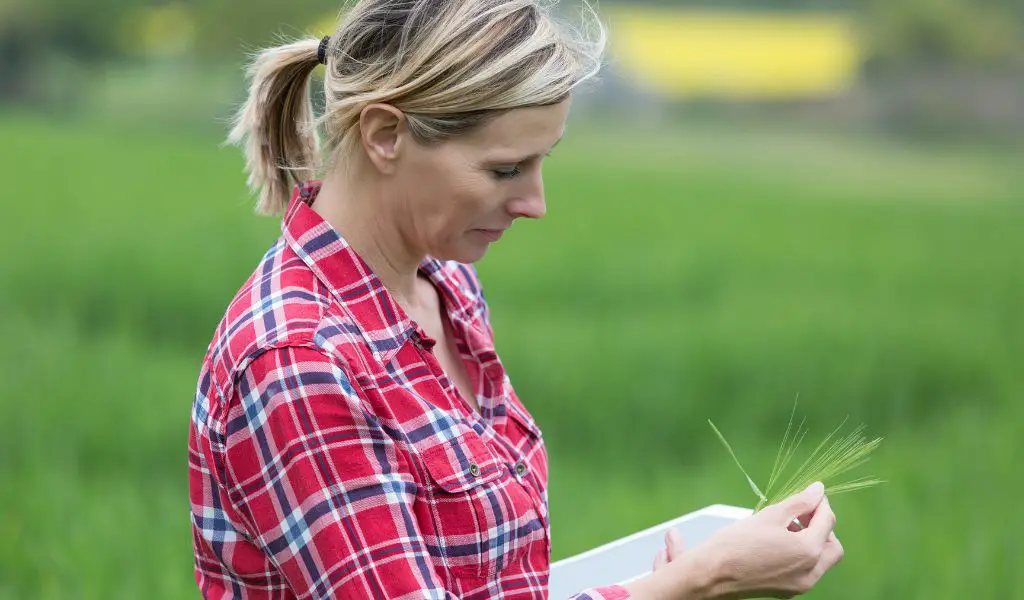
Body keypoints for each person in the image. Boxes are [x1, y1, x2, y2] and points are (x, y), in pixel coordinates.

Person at [186, 1, 845, 598]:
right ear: (386, 134)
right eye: (504, 169)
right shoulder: (298, 360)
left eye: (541, 161)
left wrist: (671, 574)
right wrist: (703, 577)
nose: (535, 203)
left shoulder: (445, 287)